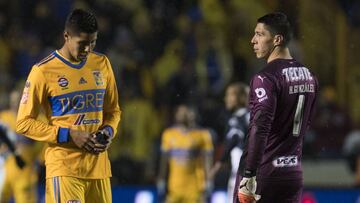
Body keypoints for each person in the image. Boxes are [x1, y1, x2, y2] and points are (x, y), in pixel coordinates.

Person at [16, 9, 121, 203]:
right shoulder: (43, 71)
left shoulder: (102, 63)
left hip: (99, 169)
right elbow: (23, 123)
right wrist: (69, 134)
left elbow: (113, 111)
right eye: (82, 44)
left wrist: (108, 131)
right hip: (64, 167)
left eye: (93, 42)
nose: (88, 49)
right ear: (66, 36)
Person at [234, 12, 318, 203]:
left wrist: (249, 174)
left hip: (263, 173)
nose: (252, 40)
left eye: (260, 34)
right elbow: (307, 123)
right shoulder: (310, 76)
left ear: (277, 39)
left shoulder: (265, 78)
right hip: (292, 173)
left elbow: (260, 127)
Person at [157, 104, 213, 203]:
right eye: (180, 112)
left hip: (195, 189)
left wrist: (209, 180)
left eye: (185, 112)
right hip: (174, 188)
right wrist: (161, 179)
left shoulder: (202, 135)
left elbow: (207, 160)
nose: (182, 115)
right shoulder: (168, 134)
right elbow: (164, 160)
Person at [209, 82, 250, 203]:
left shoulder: (237, 119)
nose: (226, 98)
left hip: (241, 172)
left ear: (241, 97)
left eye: (229, 95)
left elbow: (234, 138)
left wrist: (218, 165)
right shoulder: (254, 116)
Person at [0, 88, 42, 203]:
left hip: (24, 171)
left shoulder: (35, 120)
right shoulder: (3, 117)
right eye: (12, 101)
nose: (14, 104)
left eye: (18, 100)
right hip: (4, 169)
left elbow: (41, 147)